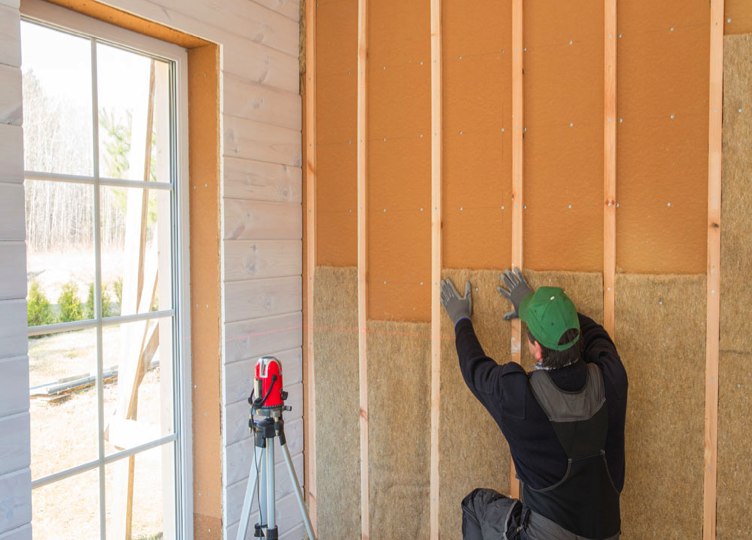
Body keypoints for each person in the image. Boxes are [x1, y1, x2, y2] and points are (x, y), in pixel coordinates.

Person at [440, 269, 628, 540]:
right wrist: (534, 308)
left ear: (537, 349)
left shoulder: (520, 399)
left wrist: (461, 318)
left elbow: (475, 369)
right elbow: (595, 332)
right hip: (605, 533)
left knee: (476, 504)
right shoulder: (612, 377)